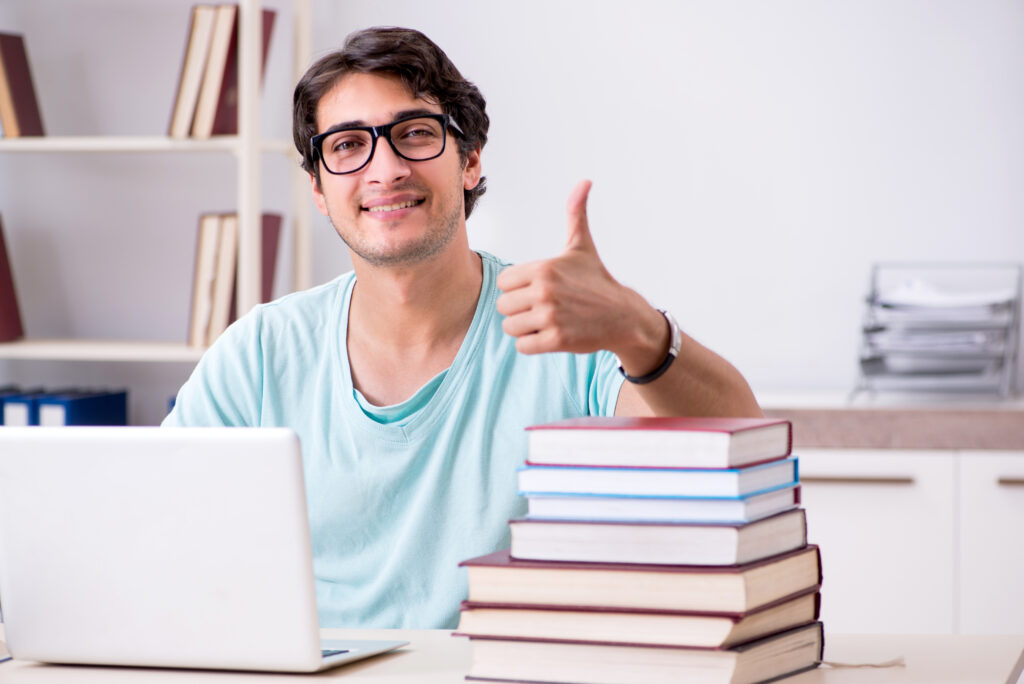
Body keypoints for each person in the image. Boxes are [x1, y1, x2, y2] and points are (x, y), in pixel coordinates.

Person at [164, 26, 763, 629]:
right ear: (320, 187)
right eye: (347, 146)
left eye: (415, 134)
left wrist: (639, 329)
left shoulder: (564, 328)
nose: (385, 168)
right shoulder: (261, 351)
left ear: (470, 160)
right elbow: (161, 532)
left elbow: (737, 452)